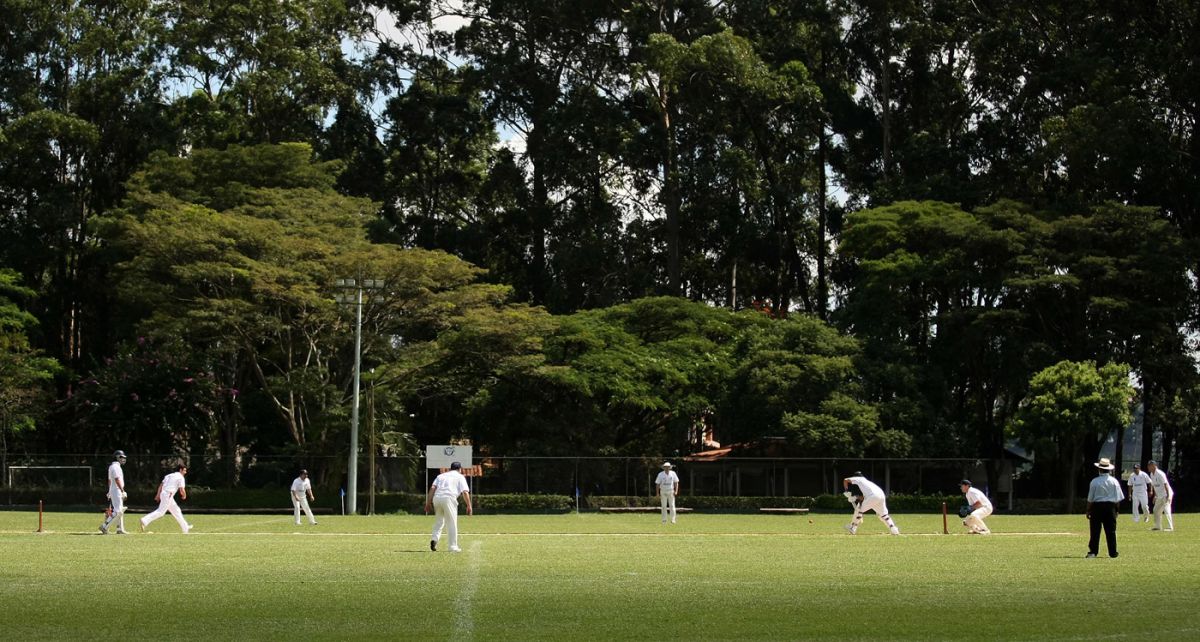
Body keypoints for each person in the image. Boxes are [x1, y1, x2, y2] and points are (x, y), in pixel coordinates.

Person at [426, 461, 472, 552]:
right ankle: (453, 546)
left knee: (439, 521)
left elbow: (432, 488)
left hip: (437, 498)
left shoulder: (441, 476)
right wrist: (469, 505)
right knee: (451, 522)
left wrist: (428, 502)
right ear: (460, 469)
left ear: (450, 468)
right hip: (449, 498)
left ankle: (434, 539)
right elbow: (465, 492)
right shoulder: (460, 476)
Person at [1085, 457, 1123, 558]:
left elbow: (1090, 499)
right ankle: (1113, 552)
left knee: (1095, 530)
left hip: (1097, 507)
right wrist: (1117, 510)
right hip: (1110, 507)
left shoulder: (1094, 481)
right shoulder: (1114, 481)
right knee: (1111, 531)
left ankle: (1093, 551)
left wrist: (1088, 510)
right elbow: (1118, 498)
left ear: (1099, 469)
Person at [139, 463, 192, 534]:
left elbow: (161, 485)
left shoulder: (169, 475)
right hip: (168, 495)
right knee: (161, 512)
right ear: (180, 470)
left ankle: (185, 528)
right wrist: (184, 495)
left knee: (177, 511)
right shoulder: (180, 477)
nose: (185, 472)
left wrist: (158, 495)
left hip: (165, 494)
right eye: (184, 470)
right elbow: (182, 489)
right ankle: (145, 520)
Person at [99, 450, 129, 535]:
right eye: (122, 457)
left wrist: (109, 491)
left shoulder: (112, 466)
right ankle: (104, 526)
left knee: (119, 510)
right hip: (116, 490)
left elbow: (109, 480)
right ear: (117, 457)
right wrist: (122, 490)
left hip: (114, 490)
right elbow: (116, 479)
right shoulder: (115, 467)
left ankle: (120, 529)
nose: (123, 459)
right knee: (118, 511)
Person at [1147, 460, 1175, 531]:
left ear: (1154, 466)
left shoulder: (1160, 473)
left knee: (1167, 510)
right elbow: (1155, 486)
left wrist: (1168, 496)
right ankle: (1157, 526)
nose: (1148, 467)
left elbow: (1165, 484)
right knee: (1156, 510)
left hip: (1166, 494)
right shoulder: (1151, 474)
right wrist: (1155, 496)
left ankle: (1170, 527)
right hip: (1159, 495)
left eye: (1149, 466)